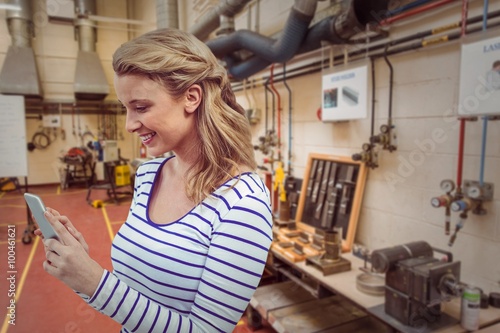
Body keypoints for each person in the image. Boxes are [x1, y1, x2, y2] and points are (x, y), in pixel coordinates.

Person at [37, 28, 273, 333]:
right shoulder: (149, 175)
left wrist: (96, 282)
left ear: (191, 97)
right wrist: (81, 268)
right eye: (126, 108)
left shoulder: (243, 203)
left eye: (141, 107)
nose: (129, 125)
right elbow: (136, 297)